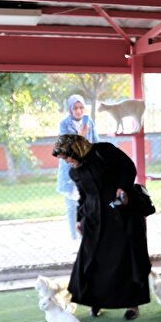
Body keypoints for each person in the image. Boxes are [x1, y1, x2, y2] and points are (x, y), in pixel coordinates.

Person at [53, 134, 151, 320]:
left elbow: (127, 167)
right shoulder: (75, 172)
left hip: (121, 216)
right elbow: (83, 197)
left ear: (76, 149)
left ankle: (132, 304)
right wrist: (80, 219)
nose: (67, 161)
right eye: (63, 159)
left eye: (67, 157)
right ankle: (96, 301)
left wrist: (122, 187)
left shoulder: (102, 152)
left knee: (125, 260)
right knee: (93, 261)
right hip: (94, 221)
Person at [57, 94, 96, 241]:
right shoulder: (64, 124)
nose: (79, 111)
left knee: (88, 203)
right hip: (70, 168)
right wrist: (80, 135)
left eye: (81, 108)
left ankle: (86, 236)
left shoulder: (89, 122)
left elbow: (95, 142)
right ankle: (74, 238)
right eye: (75, 108)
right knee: (71, 205)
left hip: (86, 167)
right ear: (70, 109)